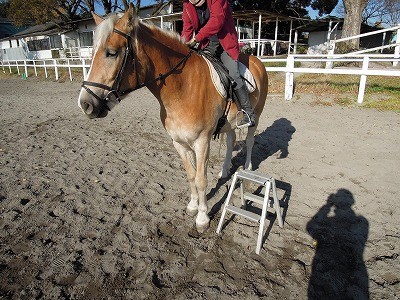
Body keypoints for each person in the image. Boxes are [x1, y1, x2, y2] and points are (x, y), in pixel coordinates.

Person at [181, 0, 256, 128]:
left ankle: (248, 113)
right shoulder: (187, 5)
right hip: (205, 45)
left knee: (233, 73)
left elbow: (217, 21)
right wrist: (181, 45)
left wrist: (196, 39)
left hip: (224, 44)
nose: (193, 0)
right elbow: (187, 29)